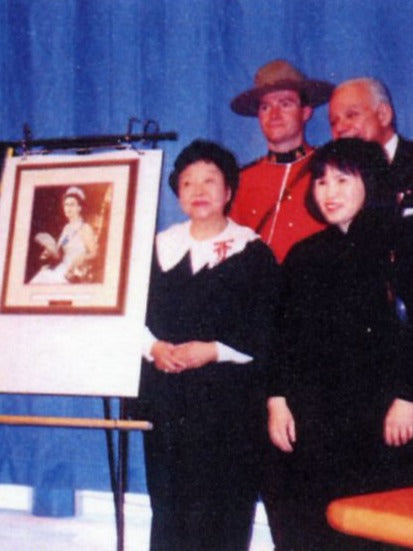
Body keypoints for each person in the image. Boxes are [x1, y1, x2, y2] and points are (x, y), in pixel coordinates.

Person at [268, 138, 413, 551]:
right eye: (321, 181)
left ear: (370, 181)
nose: (329, 192)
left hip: (385, 418)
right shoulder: (304, 254)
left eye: (342, 180)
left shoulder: (401, 244)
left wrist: (408, 397)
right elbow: (281, 335)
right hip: (313, 418)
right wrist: (277, 400)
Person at [139, 140, 281, 551]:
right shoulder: (157, 248)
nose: (198, 191)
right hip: (167, 401)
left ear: (229, 190)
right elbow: (130, 314)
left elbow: (267, 328)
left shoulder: (252, 252)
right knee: (168, 509)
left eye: (209, 181)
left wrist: (214, 349)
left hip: (228, 407)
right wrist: (153, 348)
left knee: (223, 512)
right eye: (188, 183)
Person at [229, 59, 334, 263]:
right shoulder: (241, 181)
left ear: (305, 112)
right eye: (265, 107)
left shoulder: (329, 170)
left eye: (285, 104)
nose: (274, 115)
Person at [329, 77, 413, 210]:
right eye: (333, 122)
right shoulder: (335, 179)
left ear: (383, 115)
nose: (339, 128)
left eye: (351, 115)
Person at [30, 186, 98, 284]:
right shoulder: (66, 228)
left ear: (79, 207)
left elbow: (94, 254)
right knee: (40, 277)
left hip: (75, 272)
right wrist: (48, 251)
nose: (68, 208)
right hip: (62, 269)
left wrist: (82, 258)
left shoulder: (84, 228)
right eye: (66, 205)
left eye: (72, 205)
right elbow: (58, 254)